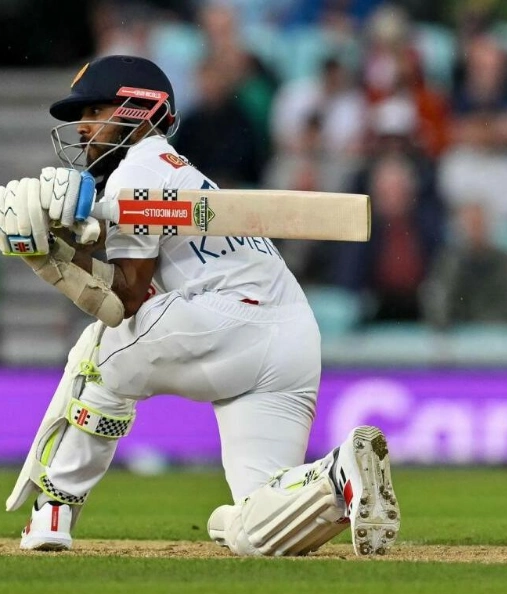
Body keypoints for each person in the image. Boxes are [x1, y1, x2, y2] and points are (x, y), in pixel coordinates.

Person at [0, 55, 399, 556]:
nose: (81, 129)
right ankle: (336, 474)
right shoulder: (174, 173)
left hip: (226, 318)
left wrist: (49, 259)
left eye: (92, 111)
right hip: (291, 336)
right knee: (254, 528)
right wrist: (66, 245)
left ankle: (55, 508)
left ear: (137, 112)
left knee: (99, 352)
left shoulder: (136, 173)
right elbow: (137, 293)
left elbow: (122, 302)